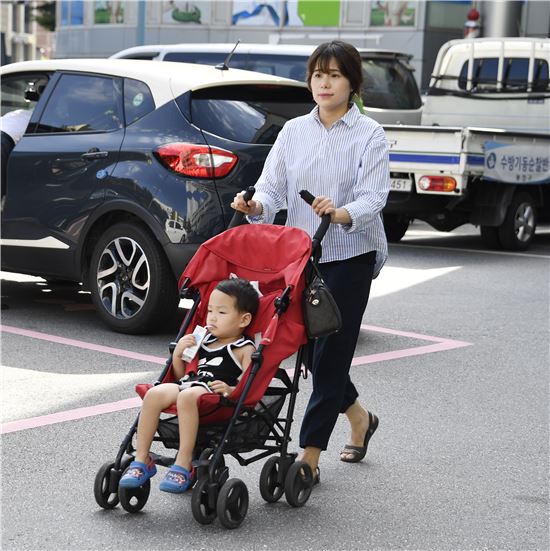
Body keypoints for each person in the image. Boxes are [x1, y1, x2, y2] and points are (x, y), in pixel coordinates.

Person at [231, 40, 390, 481]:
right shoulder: (294, 130)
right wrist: (255, 206)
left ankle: (310, 455)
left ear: (352, 83)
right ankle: (359, 415)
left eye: (335, 75)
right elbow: (271, 187)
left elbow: (375, 196)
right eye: (319, 74)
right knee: (304, 343)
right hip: (302, 253)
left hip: (350, 253)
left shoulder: (369, 134)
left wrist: (341, 213)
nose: (325, 82)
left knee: (332, 352)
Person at [119, 278, 259, 493]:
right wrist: (178, 354)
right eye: (210, 311)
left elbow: (250, 379)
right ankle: (141, 458)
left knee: (186, 396)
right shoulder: (203, 340)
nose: (212, 317)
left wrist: (232, 391)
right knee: (154, 394)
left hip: (216, 394)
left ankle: (183, 462)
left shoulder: (243, 348)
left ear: (243, 320)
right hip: (191, 384)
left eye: (221, 313)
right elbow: (181, 375)